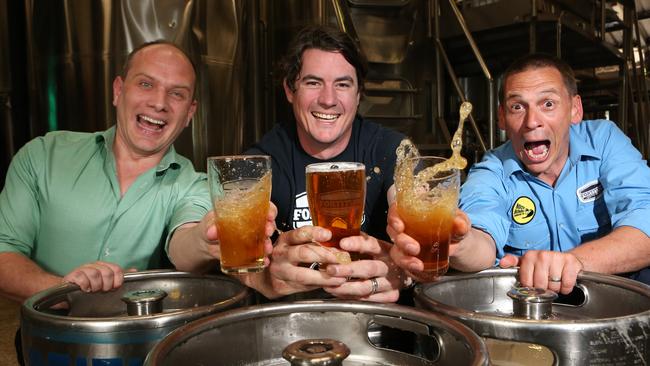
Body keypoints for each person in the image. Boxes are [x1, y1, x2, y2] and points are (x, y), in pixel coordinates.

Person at [0, 39, 275, 303]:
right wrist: (64, 291)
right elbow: (4, 253)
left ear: (190, 113)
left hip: (141, 345)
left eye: (177, 94)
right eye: (146, 84)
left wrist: (206, 241)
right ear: (118, 91)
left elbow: (184, 245)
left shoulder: (194, 184)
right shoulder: (44, 155)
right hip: (44, 343)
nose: (159, 103)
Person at [388, 53, 650, 295]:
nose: (531, 121)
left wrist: (574, 262)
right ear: (501, 117)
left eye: (548, 103)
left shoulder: (604, 140)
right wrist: (456, 240)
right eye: (517, 107)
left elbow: (645, 223)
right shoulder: (493, 169)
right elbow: (481, 238)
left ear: (574, 109)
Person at [243, 25, 411, 302]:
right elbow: (232, 252)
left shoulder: (391, 150)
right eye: (313, 82)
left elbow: (412, 215)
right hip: (290, 324)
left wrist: (402, 269)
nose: (328, 100)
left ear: (358, 95)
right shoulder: (262, 161)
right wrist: (264, 279)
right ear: (289, 89)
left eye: (343, 84)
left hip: (377, 324)